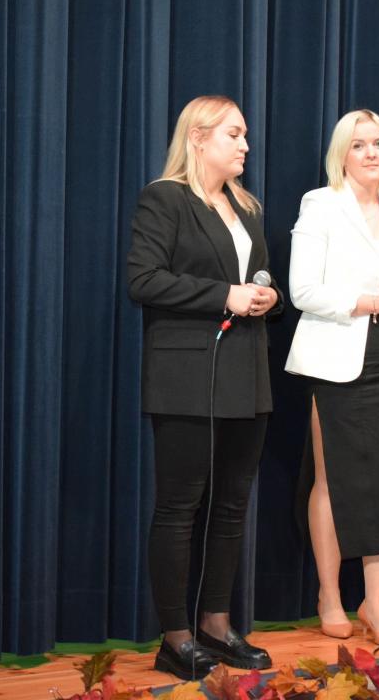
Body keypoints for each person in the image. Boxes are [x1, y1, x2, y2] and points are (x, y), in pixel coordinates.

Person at [127, 96, 282, 679]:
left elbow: (258, 281)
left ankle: (216, 625)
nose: (245, 145)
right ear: (198, 138)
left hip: (247, 374)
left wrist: (269, 297)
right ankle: (175, 637)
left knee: (231, 505)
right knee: (179, 507)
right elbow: (143, 279)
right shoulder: (165, 198)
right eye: (234, 134)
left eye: (245, 135)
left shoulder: (245, 207)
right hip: (186, 377)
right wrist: (225, 296)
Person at [285, 109, 379, 643]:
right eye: (359, 144)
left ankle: (375, 605)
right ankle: (329, 596)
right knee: (334, 479)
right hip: (339, 356)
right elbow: (303, 290)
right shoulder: (320, 204)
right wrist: (372, 301)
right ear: (342, 154)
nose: (371, 153)